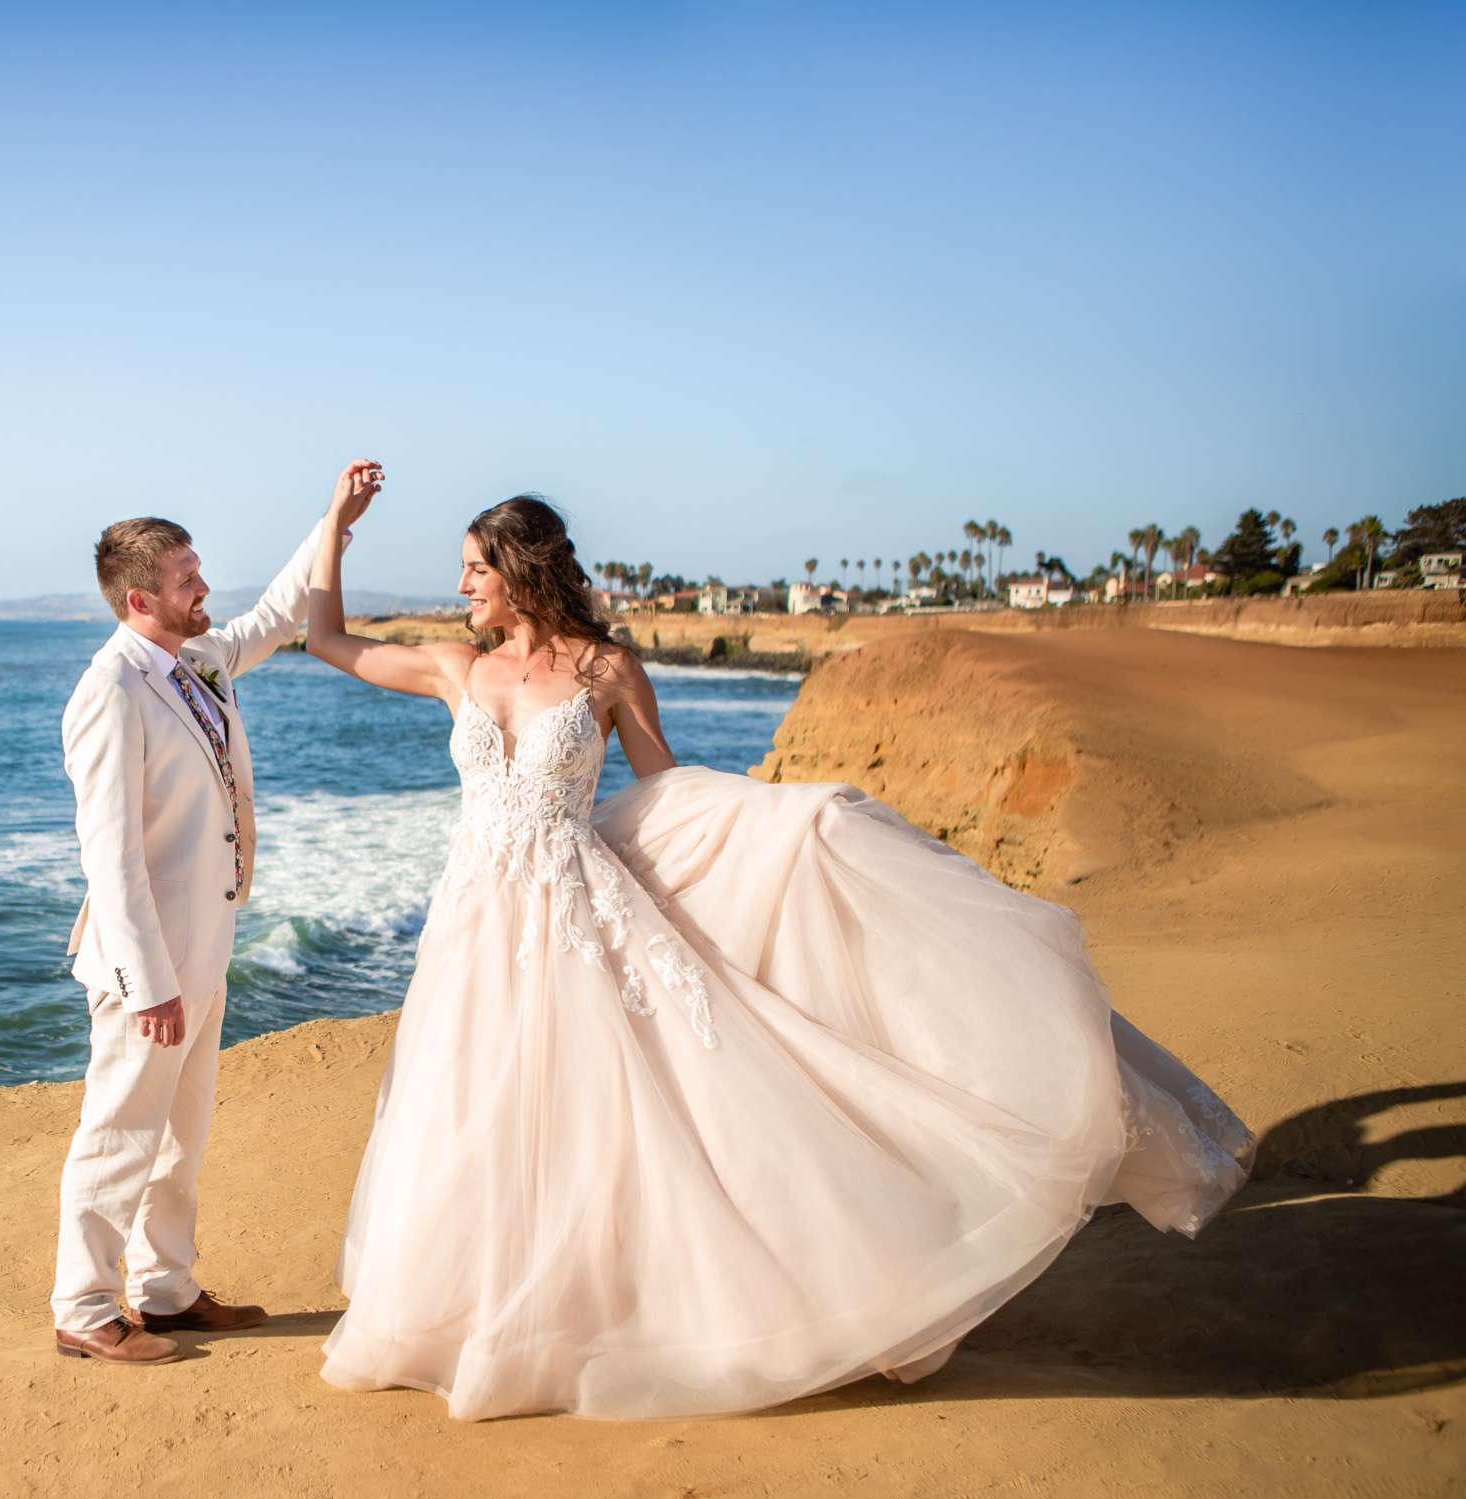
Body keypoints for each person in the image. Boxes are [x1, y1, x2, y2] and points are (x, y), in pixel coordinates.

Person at [302, 478, 1253, 1419]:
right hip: (474, 927)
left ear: (520, 570)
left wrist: (781, 825)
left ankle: (622, 1306)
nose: (462, 585)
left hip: (574, 917)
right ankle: (468, 1308)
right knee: (476, 1103)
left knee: (604, 1110)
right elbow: (327, 640)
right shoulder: (454, 668)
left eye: (475, 569)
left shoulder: (608, 672)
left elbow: (667, 791)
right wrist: (335, 528)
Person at [50, 462, 382, 1364]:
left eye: (199, 573)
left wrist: (334, 520)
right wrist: (147, 982)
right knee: (120, 1129)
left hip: (206, 943)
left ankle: (164, 1290)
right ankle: (83, 1309)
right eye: (187, 579)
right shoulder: (111, 690)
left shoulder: (193, 659)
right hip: (148, 961)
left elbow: (276, 615)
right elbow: (108, 856)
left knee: (180, 1133)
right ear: (138, 599)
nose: (205, 589)